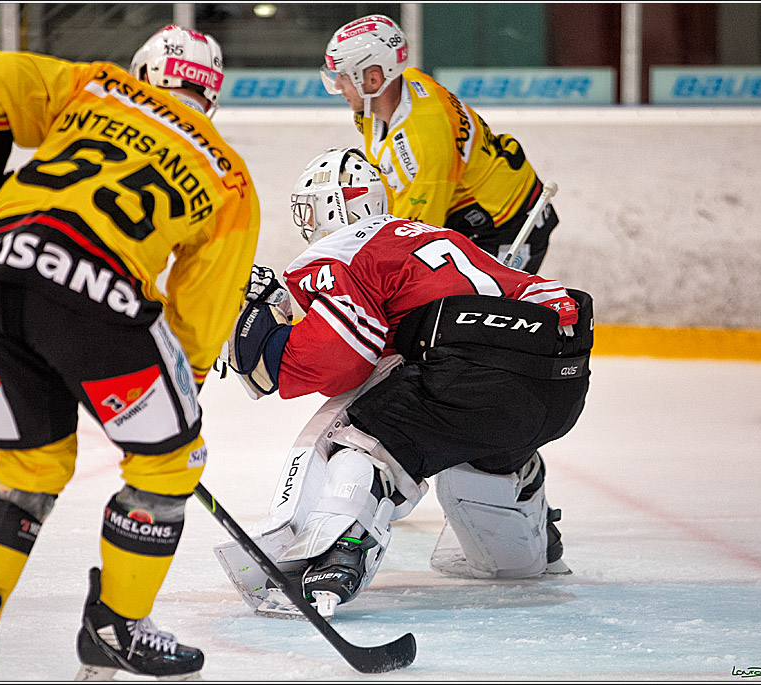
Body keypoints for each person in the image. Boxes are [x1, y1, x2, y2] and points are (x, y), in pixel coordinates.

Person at [0, 26, 260, 681]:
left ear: (143, 71)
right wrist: (174, 412)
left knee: (30, 461)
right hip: (96, 291)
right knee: (171, 461)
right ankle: (117, 627)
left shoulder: (99, 87)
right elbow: (201, 317)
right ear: (211, 96)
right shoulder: (227, 175)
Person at [215, 148, 591, 619]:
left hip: (466, 373)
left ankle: (332, 559)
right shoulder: (436, 234)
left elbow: (340, 357)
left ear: (333, 207)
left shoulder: (338, 250)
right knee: (482, 445)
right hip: (560, 379)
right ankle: (525, 547)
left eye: (309, 211)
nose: (307, 225)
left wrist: (270, 350)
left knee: (362, 442)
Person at [321, 14, 558, 274]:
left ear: (374, 79)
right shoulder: (389, 94)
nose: (337, 85)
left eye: (343, 75)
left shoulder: (425, 146)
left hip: (509, 224)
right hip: (469, 212)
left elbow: (415, 242)